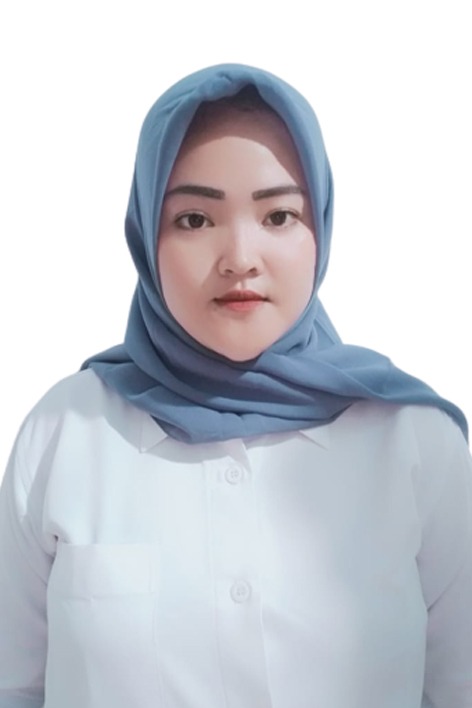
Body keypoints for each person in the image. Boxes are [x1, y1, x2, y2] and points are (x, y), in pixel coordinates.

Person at [0, 64, 470, 708]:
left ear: (320, 227)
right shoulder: (66, 432)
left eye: (279, 215)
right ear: (145, 235)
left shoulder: (415, 443)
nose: (241, 258)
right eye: (195, 219)